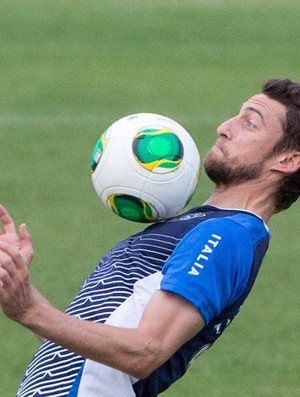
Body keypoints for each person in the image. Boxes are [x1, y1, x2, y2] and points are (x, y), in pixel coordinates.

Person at [0, 78, 299, 397]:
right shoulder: (209, 225)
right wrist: (19, 287)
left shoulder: (226, 235)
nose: (225, 127)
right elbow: (86, 353)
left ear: (288, 160)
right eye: (236, 116)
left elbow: (145, 350)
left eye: (250, 123)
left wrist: (31, 310)